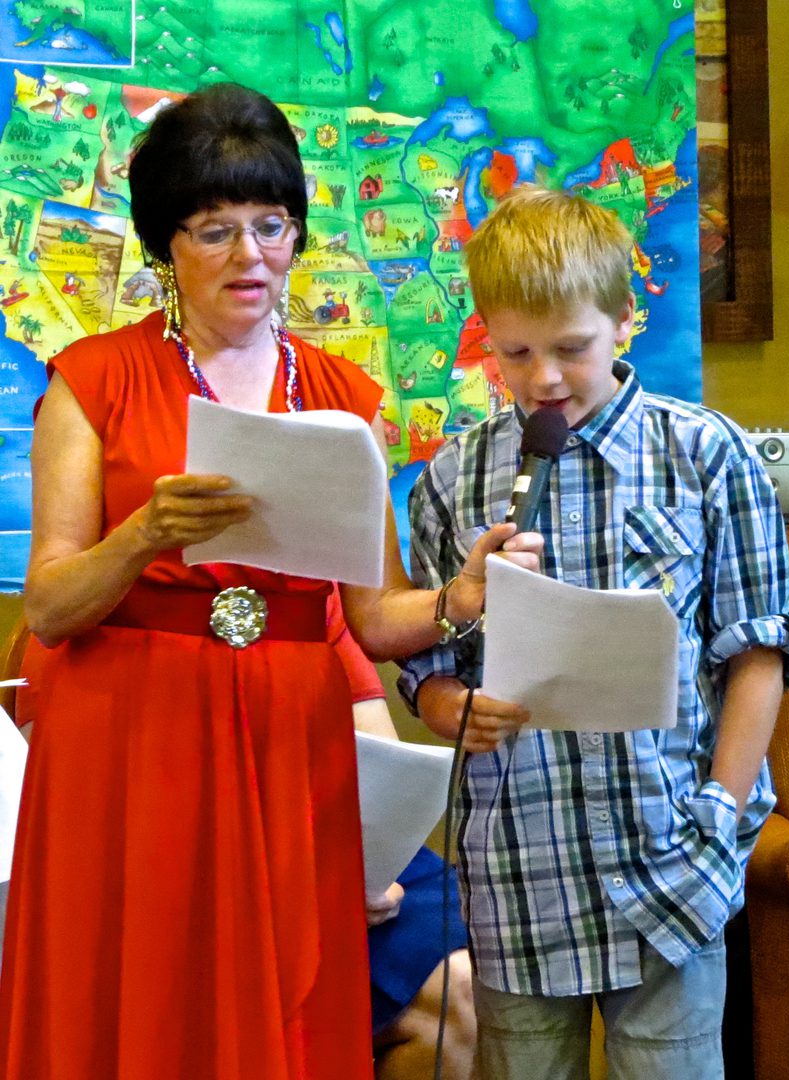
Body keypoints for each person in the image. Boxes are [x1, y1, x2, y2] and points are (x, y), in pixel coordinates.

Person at [0, 84, 541, 1080]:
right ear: (167, 246)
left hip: (289, 742)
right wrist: (144, 534)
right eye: (217, 231)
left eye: (272, 226)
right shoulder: (93, 379)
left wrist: (460, 599)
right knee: (140, 1006)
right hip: (129, 733)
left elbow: (374, 620)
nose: (252, 257)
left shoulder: (339, 396)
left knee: (288, 1010)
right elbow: (49, 606)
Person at [398, 186, 789, 1080]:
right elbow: (424, 665)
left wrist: (719, 813)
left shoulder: (704, 453)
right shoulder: (457, 476)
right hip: (518, 872)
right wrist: (447, 703)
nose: (544, 378)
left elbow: (761, 651)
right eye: (515, 354)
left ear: (626, 318)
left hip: (667, 857)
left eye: (572, 349)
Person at [326, 592, 475, 1080]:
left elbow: (385, 764)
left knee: (473, 980)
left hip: (339, 835)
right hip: (225, 840)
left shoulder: (315, 589)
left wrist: (369, 868)